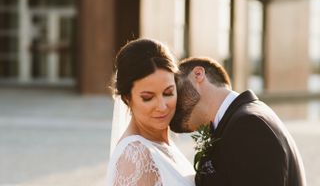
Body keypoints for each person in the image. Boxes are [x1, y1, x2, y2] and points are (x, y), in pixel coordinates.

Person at [170, 57, 306, 186]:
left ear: (198, 74)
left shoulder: (250, 124)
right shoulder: (241, 121)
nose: (170, 101)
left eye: (174, 88)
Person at [106, 38, 195, 186]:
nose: (162, 106)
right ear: (127, 98)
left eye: (168, 93)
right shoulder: (136, 156)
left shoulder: (162, 144)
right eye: (148, 98)